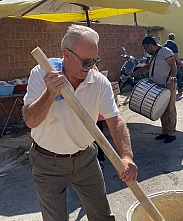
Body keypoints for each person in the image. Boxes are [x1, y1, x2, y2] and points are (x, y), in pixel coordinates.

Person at [23, 24, 138, 221]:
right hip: (47, 162)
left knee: (101, 216)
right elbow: (30, 120)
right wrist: (50, 93)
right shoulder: (42, 74)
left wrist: (126, 156)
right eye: (86, 62)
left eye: (94, 61)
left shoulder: (98, 82)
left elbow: (115, 120)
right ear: (67, 55)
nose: (91, 67)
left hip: (86, 159)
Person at [131, 36, 177, 143]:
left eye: (146, 48)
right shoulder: (154, 56)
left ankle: (171, 133)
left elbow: (173, 64)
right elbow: (148, 67)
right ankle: (165, 132)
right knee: (161, 108)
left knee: (170, 109)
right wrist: (136, 72)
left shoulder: (166, 51)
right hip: (158, 85)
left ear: (150, 45)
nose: (146, 51)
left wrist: (173, 76)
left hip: (168, 84)